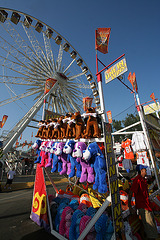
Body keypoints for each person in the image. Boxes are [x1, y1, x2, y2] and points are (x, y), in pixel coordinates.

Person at [128, 164, 158, 240]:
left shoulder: (143, 180)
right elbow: (131, 193)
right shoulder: (137, 180)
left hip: (147, 205)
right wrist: (130, 206)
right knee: (150, 228)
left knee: (152, 226)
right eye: (145, 170)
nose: (146, 171)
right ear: (141, 171)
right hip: (143, 207)